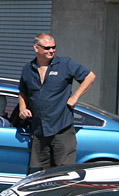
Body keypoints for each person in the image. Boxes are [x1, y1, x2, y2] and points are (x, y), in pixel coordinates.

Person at [17, 33, 96, 171]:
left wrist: (75, 97)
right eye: (47, 48)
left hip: (62, 129)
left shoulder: (65, 64)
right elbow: (23, 91)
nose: (51, 51)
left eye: (54, 47)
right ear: (36, 48)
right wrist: (22, 108)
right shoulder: (28, 69)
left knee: (64, 173)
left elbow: (90, 76)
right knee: (39, 173)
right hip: (39, 130)